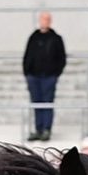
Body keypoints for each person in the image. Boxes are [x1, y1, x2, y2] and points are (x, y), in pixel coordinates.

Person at [21, 11, 66, 142]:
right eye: (42, 19)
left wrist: (55, 73)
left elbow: (61, 58)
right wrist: (27, 73)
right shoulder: (33, 37)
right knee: (36, 103)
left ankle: (47, 129)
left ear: (50, 21)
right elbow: (27, 56)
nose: (44, 22)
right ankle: (38, 129)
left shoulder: (56, 38)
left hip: (49, 77)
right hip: (34, 77)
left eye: (47, 19)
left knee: (47, 103)